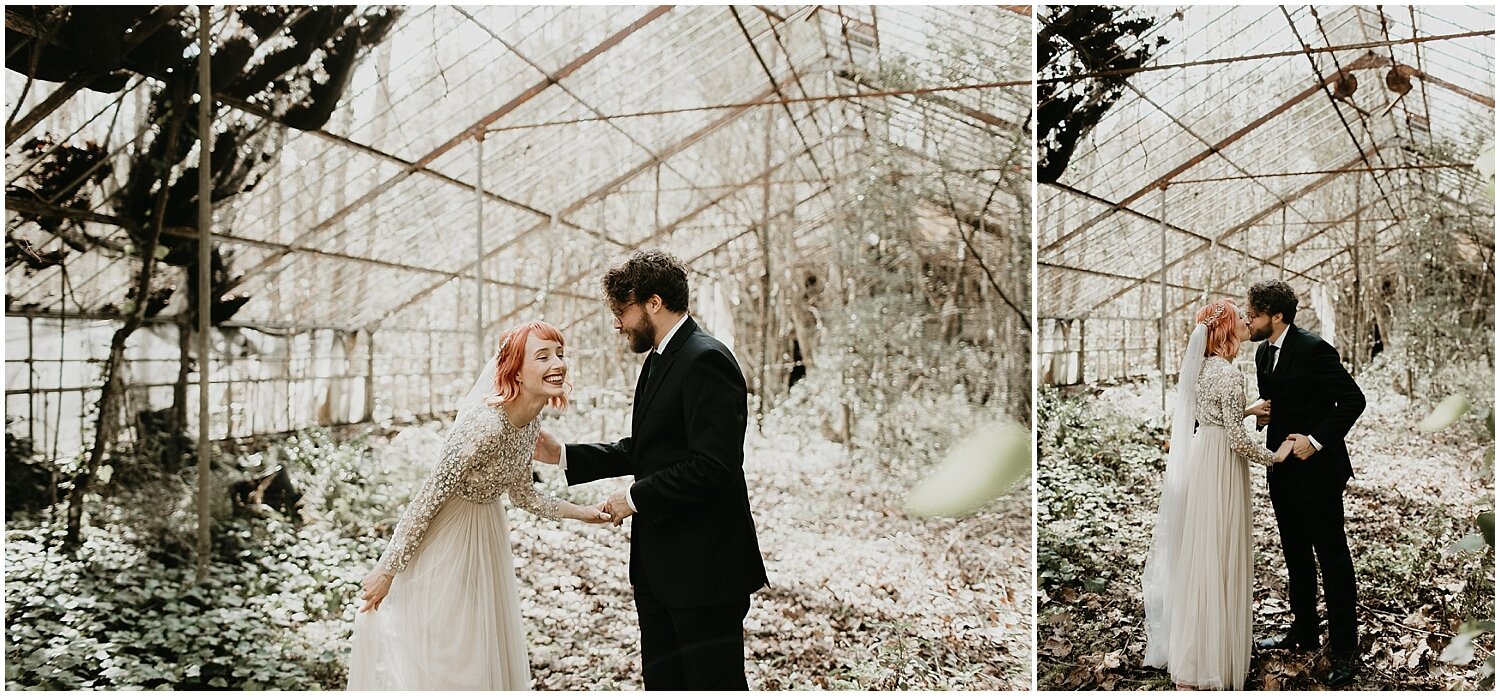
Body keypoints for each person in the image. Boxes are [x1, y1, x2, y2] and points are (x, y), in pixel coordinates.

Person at [534, 250, 767, 690]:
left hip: (705, 573)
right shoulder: (661, 357)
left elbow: (713, 466)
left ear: (653, 303)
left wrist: (633, 498)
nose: (618, 323)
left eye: (623, 310)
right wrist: (564, 454)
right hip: (661, 568)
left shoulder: (706, 359)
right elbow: (648, 449)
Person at [347, 321, 613, 690]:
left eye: (560, 354)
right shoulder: (484, 424)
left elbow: (524, 495)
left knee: (480, 645)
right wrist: (387, 571)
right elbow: (429, 497)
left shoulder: (530, 424)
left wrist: (582, 513)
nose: (558, 363)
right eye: (543, 356)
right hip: (446, 539)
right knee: (450, 651)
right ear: (515, 370)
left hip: (486, 536)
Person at [1143, 298, 1294, 690]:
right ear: (1227, 330)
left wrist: (1246, 410)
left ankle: (1193, 650)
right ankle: (1214, 659)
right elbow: (1238, 442)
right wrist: (1275, 456)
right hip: (1224, 465)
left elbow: (1210, 415)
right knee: (1222, 551)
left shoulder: (1203, 369)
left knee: (1201, 552)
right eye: (1239, 318)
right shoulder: (1230, 374)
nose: (1247, 321)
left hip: (1201, 459)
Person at [1246, 279, 1366, 688]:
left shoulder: (1315, 349)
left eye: (1254, 315)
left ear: (1276, 316)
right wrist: (1266, 418)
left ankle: (1346, 650)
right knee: (1295, 552)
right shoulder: (1263, 352)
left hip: (1319, 470)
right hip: (1281, 469)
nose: (1248, 321)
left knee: (1331, 557)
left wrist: (1314, 440)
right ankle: (1304, 630)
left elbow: (1353, 400)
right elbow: (1278, 403)